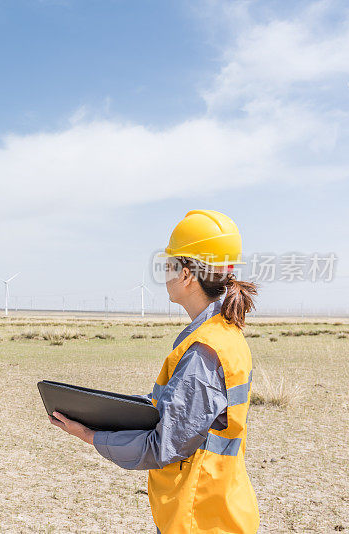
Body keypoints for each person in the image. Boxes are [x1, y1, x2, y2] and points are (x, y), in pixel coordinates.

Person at [48, 209, 259, 534]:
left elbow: (164, 446)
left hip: (199, 517)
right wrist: (108, 408)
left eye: (168, 264)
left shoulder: (205, 350)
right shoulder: (222, 333)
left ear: (187, 275)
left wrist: (91, 436)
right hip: (215, 507)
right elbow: (178, 409)